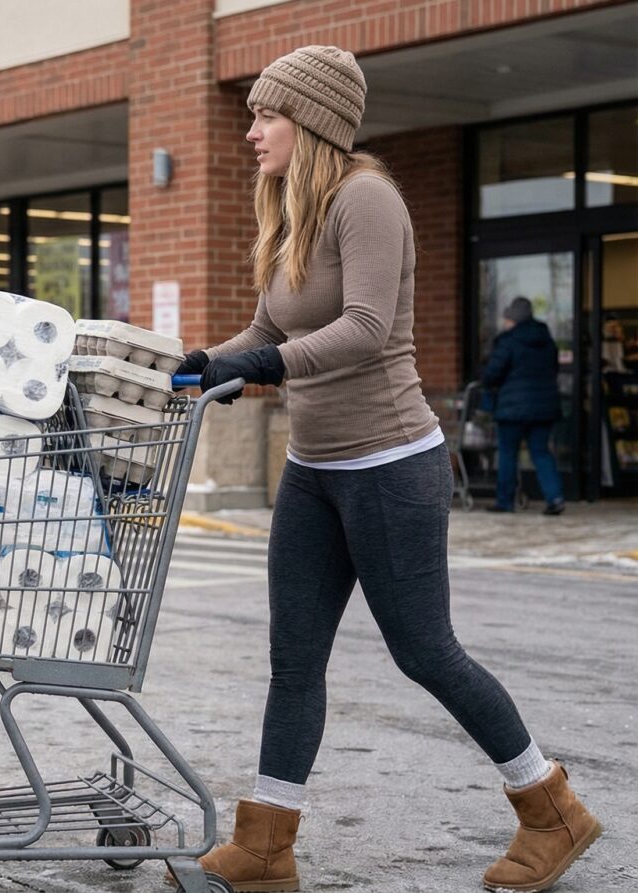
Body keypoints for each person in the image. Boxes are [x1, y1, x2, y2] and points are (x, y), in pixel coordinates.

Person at [173, 47, 600, 893]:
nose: (252, 132)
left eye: (267, 116)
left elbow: (366, 327)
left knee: (425, 651)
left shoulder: (367, 199)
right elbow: (264, 331)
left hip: (390, 462)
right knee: (294, 659)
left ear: (314, 121)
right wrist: (190, 366)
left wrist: (264, 370)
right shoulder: (292, 211)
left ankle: (550, 807)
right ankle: (266, 845)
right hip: (315, 468)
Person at [482, 297, 566, 515]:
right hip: (544, 407)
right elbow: (554, 369)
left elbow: (492, 373)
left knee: (508, 454)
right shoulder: (546, 339)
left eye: (507, 317)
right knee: (541, 452)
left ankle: (505, 502)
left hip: (512, 408)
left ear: (513, 319)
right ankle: (555, 497)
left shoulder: (508, 341)